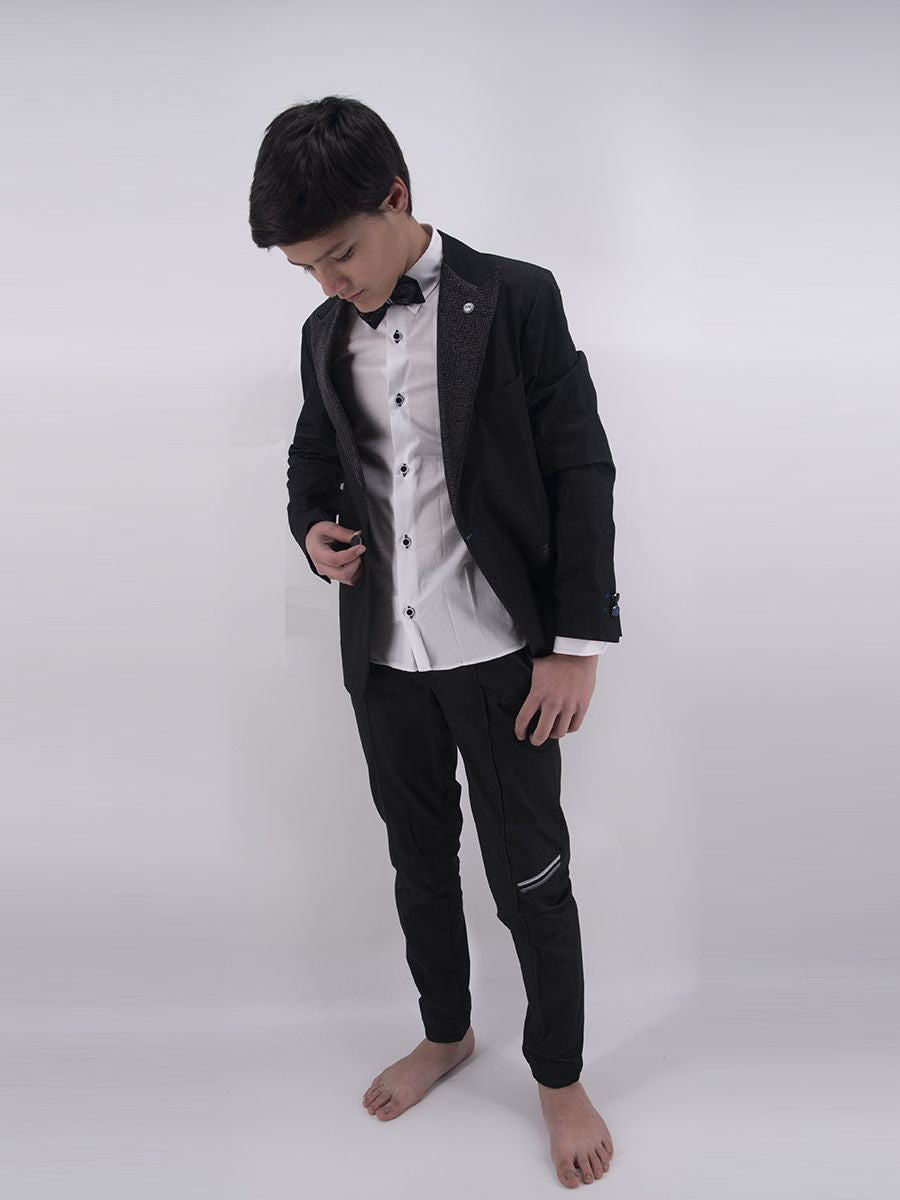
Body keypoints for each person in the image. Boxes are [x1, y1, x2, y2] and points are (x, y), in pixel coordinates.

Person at [249, 94, 621, 1189]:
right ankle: (447, 1032)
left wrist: (576, 644)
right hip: (384, 664)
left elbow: (580, 468)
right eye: (306, 270)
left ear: (397, 198)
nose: (330, 284)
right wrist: (312, 532)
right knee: (418, 864)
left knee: (532, 879)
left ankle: (559, 1078)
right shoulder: (323, 333)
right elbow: (312, 460)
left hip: (505, 658)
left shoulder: (517, 297)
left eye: (340, 255)